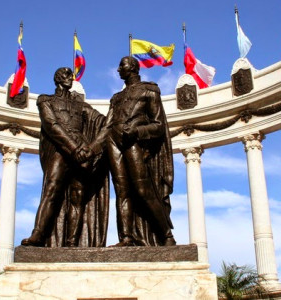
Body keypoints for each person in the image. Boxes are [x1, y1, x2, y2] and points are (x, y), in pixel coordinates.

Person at [91, 56, 176, 246]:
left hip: (134, 142)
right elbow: (107, 126)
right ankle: (126, 237)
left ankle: (166, 234)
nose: (118, 69)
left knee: (142, 189)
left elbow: (159, 125)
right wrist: (91, 149)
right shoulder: (116, 98)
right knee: (121, 191)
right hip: (114, 141)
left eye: (121, 65)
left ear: (132, 67)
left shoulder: (150, 90)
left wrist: (137, 131)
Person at [21, 67, 109, 247]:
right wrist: (73, 147)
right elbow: (51, 125)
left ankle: (72, 242)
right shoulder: (46, 100)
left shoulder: (80, 104)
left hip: (81, 151)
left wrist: (117, 116)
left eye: (71, 75)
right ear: (58, 79)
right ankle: (38, 234)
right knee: (51, 190)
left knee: (78, 195)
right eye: (67, 75)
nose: (71, 78)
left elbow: (100, 121)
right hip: (61, 150)